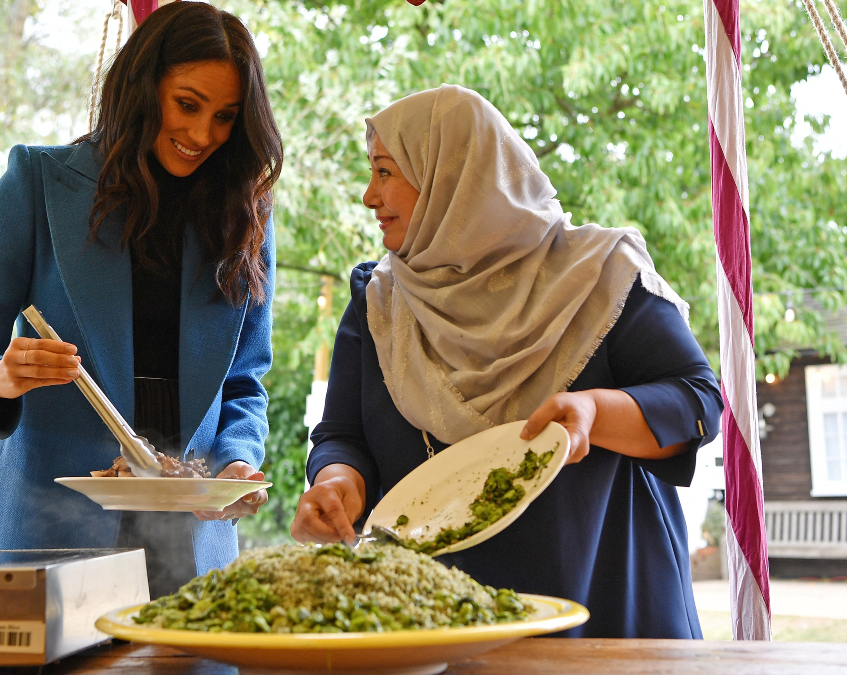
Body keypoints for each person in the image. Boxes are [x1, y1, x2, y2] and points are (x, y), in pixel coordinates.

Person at [291, 85, 723, 639]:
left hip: (603, 607)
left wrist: (596, 410)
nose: (368, 197)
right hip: (434, 622)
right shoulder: (380, 304)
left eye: (384, 172)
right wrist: (337, 481)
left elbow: (698, 402)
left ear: (455, 177)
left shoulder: (599, 276)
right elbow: (342, 433)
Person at [0, 2, 280, 597]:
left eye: (225, 117)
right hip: (44, 538)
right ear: (143, 88)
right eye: (187, 104)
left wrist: (235, 462)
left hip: (191, 550)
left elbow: (244, 382)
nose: (202, 136)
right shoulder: (39, 183)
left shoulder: (244, 215)